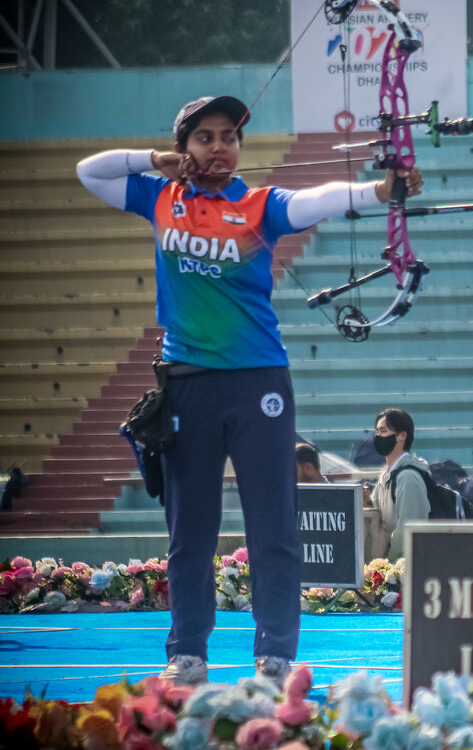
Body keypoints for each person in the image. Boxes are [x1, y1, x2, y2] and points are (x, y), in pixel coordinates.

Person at [76, 95, 423, 686]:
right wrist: (154, 161)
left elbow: (319, 200)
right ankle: (186, 654)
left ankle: (276, 656)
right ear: (185, 146)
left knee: (273, 528)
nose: (219, 147)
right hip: (186, 385)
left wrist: (377, 193)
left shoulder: (260, 204)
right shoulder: (158, 196)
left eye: (229, 137)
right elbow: (91, 171)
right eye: (205, 137)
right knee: (192, 532)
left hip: (259, 381)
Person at [369, 408, 431, 559]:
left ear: (402, 435)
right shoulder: (385, 476)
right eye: (376, 431)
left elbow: (408, 532)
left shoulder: (407, 478)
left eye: (383, 431)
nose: (378, 436)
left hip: (407, 571)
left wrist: (388, 567)